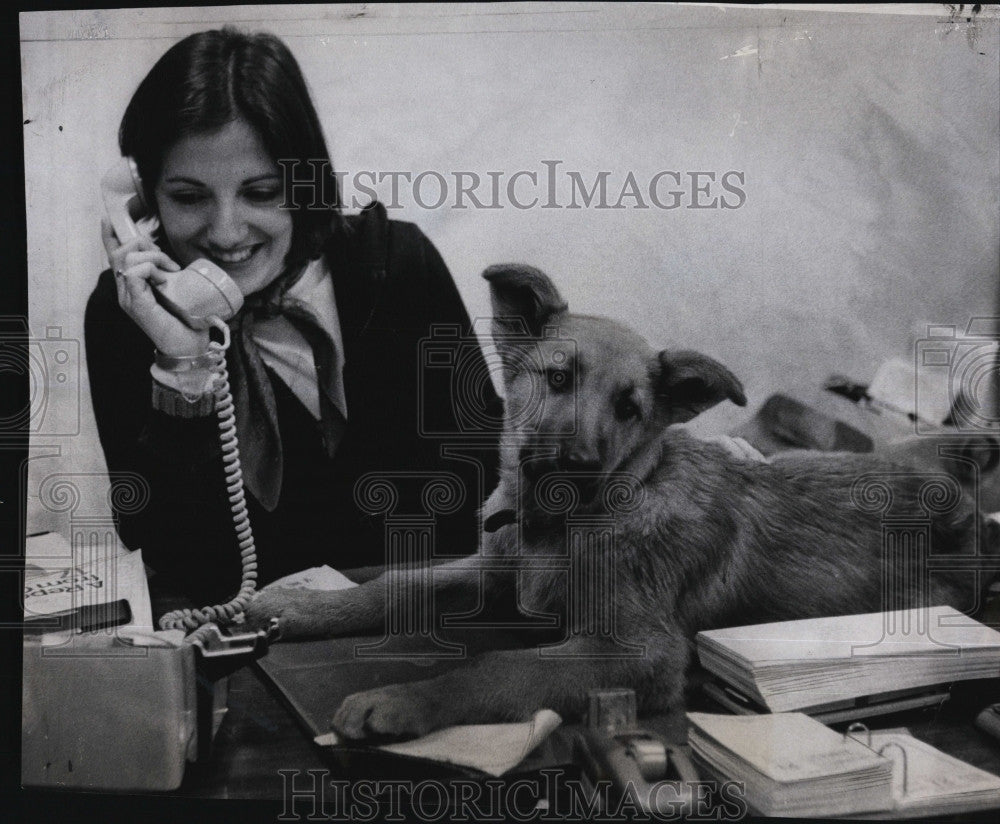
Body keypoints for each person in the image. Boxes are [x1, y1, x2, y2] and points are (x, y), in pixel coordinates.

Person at [85, 28, 501, 606]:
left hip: (405, 622)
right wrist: (183, 369)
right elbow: (159, 544)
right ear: (142, 198)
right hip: (243, 645)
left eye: (261, 192)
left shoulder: (400, 268)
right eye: (188, 196)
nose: (226, 231)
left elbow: (479, 473)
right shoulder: (126, 312)